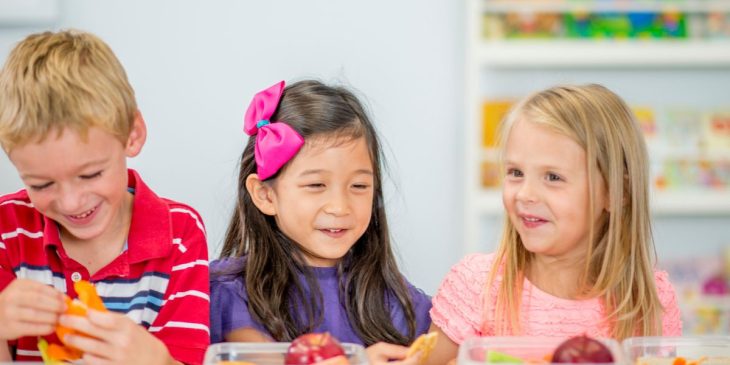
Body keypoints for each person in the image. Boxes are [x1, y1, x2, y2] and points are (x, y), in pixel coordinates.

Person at [425, 84, 682, 365]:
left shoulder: (648, 300)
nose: (525, 194)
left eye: (553, 177)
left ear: (615, 192)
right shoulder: (476, 285)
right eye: (515, 172)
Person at [0, 30, 209, 365]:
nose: (70, 202)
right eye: (41, 184)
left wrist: (159, 361)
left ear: (132, 135)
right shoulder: (7, 228)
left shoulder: (179, 233)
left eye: (90, 175)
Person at [210, 80, 432, 364]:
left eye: (359, 186)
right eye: (316, 185)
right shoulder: (222, 296)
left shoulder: (400, 303)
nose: (340, 207)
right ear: (265, 195)